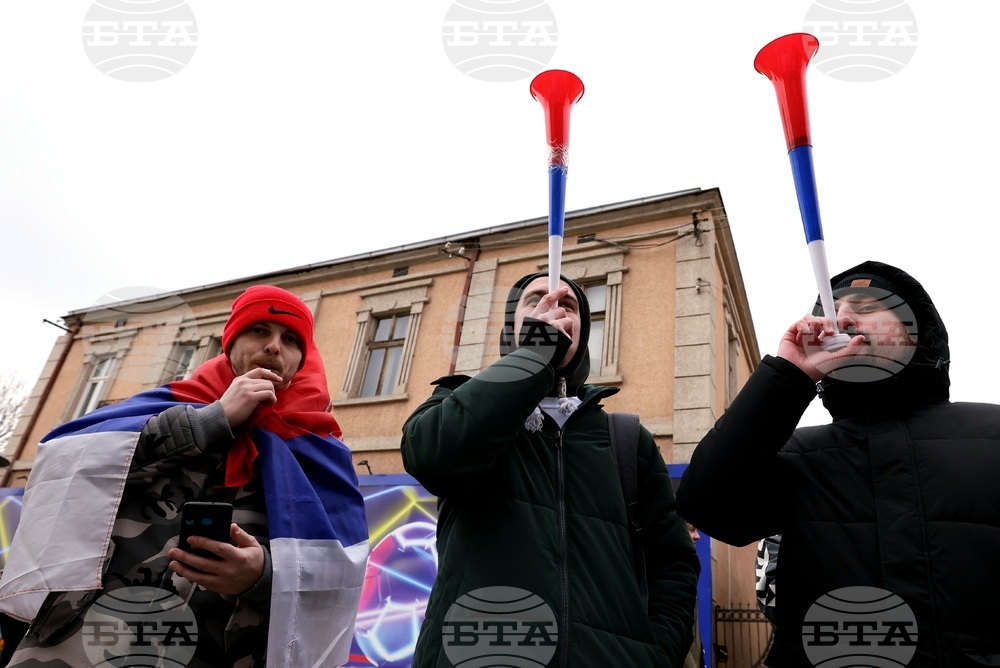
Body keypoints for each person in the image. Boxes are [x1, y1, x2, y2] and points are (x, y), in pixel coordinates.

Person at [0, 285, 369, 667]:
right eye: (259, 330)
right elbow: (62, 472)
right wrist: (210, 421)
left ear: (301, 358)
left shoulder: (320, 450)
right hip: (82, 642)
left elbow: (343, 571)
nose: (274, 346)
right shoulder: (167, 406)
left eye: (290, 339)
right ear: (230, 342)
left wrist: (265, 577)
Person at [677, 260, 1000, 666]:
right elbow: (708, 505)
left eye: (866, 306)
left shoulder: (994, 434)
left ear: (914, 331)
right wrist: (789, 375)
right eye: (832, 311)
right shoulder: (796, 454)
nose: (843, 317)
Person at [401, 272, 700, 667]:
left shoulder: (626, 439)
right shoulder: (457, 401)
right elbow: (430, 456)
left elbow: (673, 564)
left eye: (569, 305)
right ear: (513, 328)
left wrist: (655, 653)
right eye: (536, 300)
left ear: (583, 332)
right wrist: (535, 354)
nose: (554, 308)